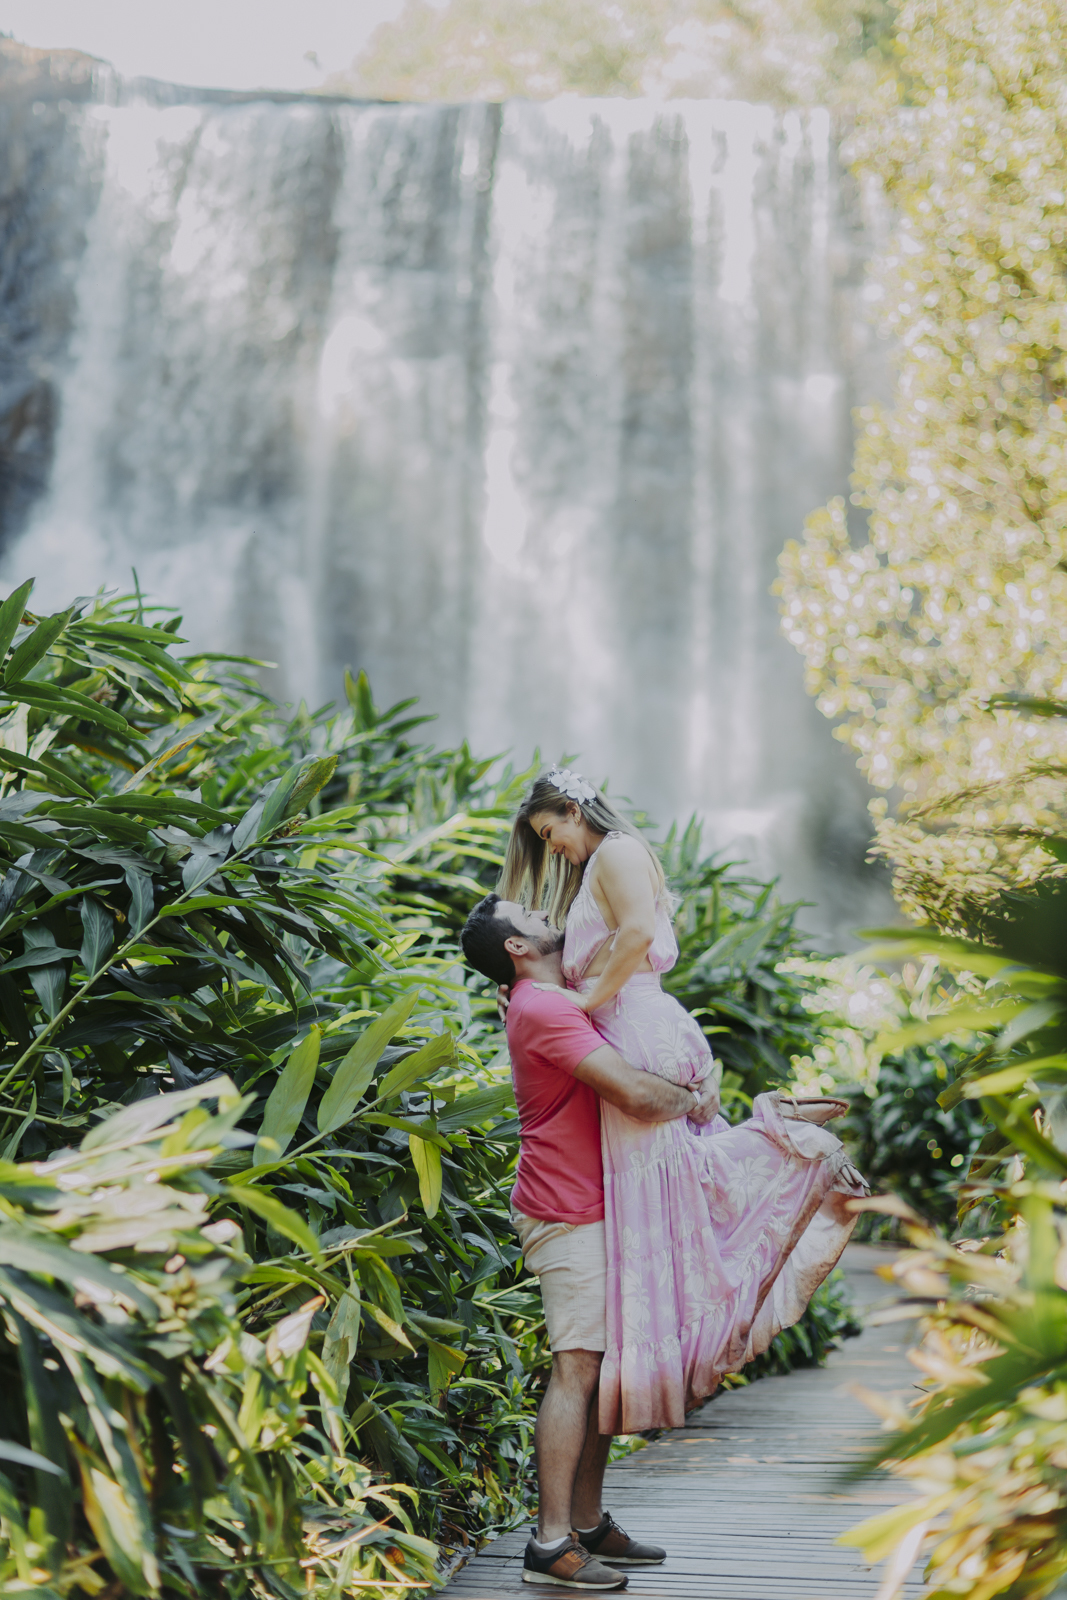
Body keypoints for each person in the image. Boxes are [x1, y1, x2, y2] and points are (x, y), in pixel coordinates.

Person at [498, 767, 867, 1437]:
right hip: (637, 1027)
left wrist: (579, 999)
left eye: (551, 833)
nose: (552, 849)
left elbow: (637, 934)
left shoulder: (614, 851)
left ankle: (785, 1139)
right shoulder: (602, 863)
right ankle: (776, 1127)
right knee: (676, 1191)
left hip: (636, 1027)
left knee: (672, 1186)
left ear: (574, 808)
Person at [461, 894, 720, 1592]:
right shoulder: (542, 1008)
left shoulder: (563, 995)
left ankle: (586, 1519)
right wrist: (691, 1095)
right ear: (516, 947)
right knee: (577, 1365)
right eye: (527, 913)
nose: (545, 914)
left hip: (599, 1205)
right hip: (568, 1211)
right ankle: (549, 1546)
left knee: (603, 1366)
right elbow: (635, 1095)